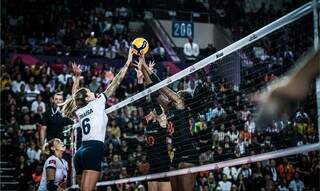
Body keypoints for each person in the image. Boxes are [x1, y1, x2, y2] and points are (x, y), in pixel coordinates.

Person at [60, 49, 134, 191]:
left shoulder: (80, 110)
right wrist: (128, 62)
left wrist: (77, 78)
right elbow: (116, 82)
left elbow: (75, 97)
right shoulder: (98, 102)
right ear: (87, 98)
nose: (93, 92)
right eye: (89, 92)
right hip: (93, 149)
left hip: (80, 152)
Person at [134, 56, 172, 191]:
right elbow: (143, 100)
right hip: (152, 165)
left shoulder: (162, 121)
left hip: (163, 164)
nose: (157, 109)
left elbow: (155, 100)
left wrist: (146, 73)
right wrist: (140, 79)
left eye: (160, 110)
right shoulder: (149, 121)